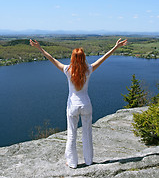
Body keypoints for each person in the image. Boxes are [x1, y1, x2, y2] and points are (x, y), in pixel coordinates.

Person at [30, 38, 127, 168]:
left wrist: (39, 48)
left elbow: (52, 59)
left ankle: (72, 163)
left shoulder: (67, 70)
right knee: (87, 133)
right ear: (83, 58)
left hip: (72, 107)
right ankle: (88, 161)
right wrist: (116, 47)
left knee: (71, 134)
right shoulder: (89, 69)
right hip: (86, 105)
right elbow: (104, 58)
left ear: (73, 58)